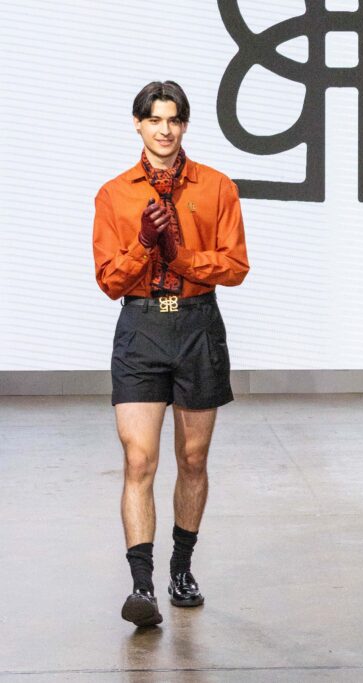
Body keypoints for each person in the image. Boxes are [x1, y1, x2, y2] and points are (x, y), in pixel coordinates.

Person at [93, 81, 249, 627]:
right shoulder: (114, 194)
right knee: (139, 459)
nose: (165, 130)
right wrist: (142, 244)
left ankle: (181, 569)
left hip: (197, 325)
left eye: (174, 120)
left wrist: (179, 257)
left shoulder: (217, 187)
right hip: (141, 329)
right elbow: (109, 281)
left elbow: (235, 266)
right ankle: (142, 586)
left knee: (193, 459)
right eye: (155, 119)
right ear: (137, 123)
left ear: (184, 125)